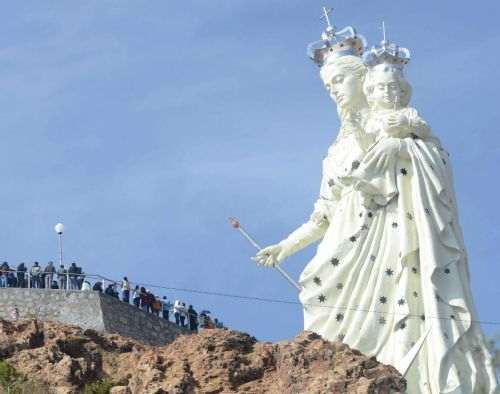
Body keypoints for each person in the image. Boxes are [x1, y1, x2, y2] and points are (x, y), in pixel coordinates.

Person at [254, 27, 498, 393]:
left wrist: (401, 146)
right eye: (328, 86)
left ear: (361, 80)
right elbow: (323, 215)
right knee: (316, 288)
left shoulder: (396, 122)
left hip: (394, 233)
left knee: (404, 311)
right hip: (347, 245)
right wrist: (284, 247)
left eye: (338, 81)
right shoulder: (335, 151)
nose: (334, 90)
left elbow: (436, 161)